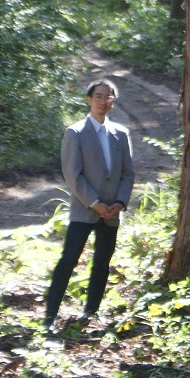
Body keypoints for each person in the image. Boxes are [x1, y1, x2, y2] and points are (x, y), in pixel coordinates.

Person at [44, 78, 134, 328]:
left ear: (113, 102)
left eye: (108, 97)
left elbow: (127, 174)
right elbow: (73, 175)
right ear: (89, 99)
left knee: (102, 263)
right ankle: (50, 317)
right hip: (84, 210)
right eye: (98, 96)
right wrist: (94, 203)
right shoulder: (75, 132)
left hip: (112, 212)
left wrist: (120, 202)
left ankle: (90, 312)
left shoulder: (120, 134)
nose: (103, 101)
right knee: (68, 260)